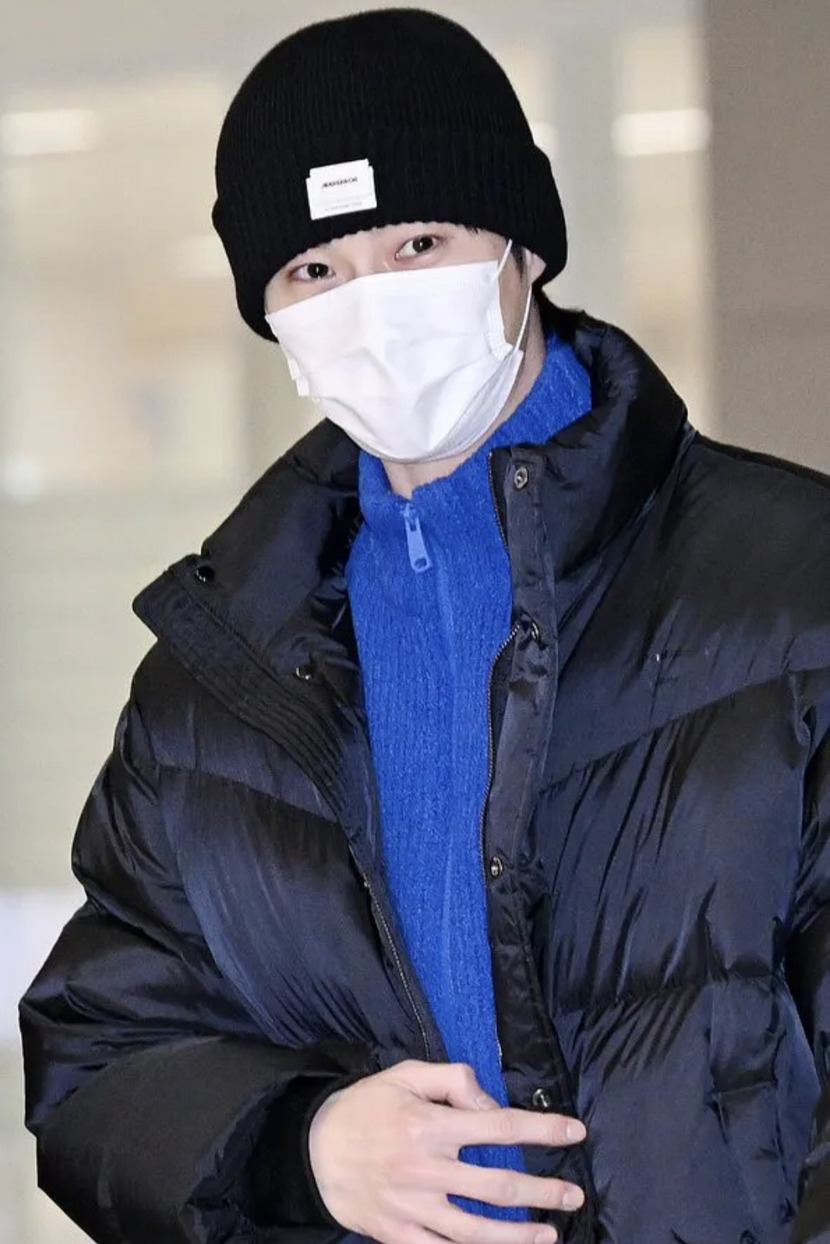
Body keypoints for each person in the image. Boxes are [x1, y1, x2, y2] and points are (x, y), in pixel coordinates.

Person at [18, 8, 830, 1244]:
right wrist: (294, 1146)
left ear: (522, 248)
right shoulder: (214, 673)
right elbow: (94, 1058)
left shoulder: (784, 578)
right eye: (315, 272)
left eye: (417, 242)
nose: (373, 305)